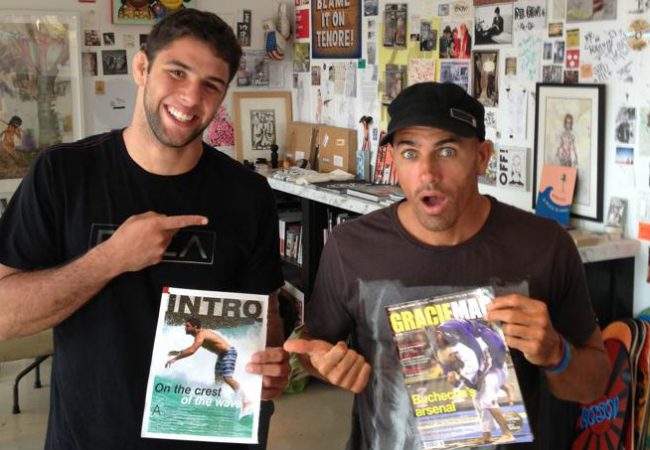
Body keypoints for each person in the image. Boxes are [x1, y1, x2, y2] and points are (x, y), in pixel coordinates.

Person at [0, 9, 288, 450]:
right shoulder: (63, 174)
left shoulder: (248, 194)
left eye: (211, 85)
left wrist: (269, 367)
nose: (190, 97)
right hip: (90, 439)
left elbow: (264, 319)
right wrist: (110, 259)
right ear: (141, 68)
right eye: (177, 72)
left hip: (208, 432)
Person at [284, 82, 609, 450]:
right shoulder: (351, 247)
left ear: (482, 157)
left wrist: (556, 354)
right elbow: (312, 347)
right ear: (393, 160)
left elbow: (594, 384)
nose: (427, 173)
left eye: (447, 151)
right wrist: (323, 364)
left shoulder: (545, 246)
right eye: (410, 153)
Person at [430, 319, 514, 445]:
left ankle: (507, 434)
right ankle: (486, 435)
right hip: (486, 367)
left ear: (453, 355)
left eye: (451, 362)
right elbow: (471, 377)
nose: (452, 365)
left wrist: (459, 381)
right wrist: (457, 381)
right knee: (478, 399)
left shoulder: (461, 349)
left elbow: (474, 366)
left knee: (486, 399)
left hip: (495, 368)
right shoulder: (454, 351)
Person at [166, 317, 251, 412]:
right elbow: (191, 349)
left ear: (195, 327)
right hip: (222, 355)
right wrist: (178, 352)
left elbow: (192, 350)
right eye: (185, 326)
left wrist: (174, 359)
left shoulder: (201, 335)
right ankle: (223, 399)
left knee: (227, 378)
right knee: (218, 380)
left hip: (228, 353)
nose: (185, 328)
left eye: (187, 326)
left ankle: (245, 400)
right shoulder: (199, 335)